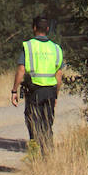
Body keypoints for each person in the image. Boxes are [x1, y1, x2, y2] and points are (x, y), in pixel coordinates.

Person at [11, 15, 63, 150]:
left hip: (35, 91)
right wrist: (56, 95)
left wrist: (14, 90)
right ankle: (48, 154)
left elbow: (21, 70)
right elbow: (59, 74)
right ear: (47, 29)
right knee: (47, 123)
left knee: (34, 123)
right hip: (50, 91)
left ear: (34, 28)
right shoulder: (56, 48)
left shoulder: (28, 46)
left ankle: (35, 154)